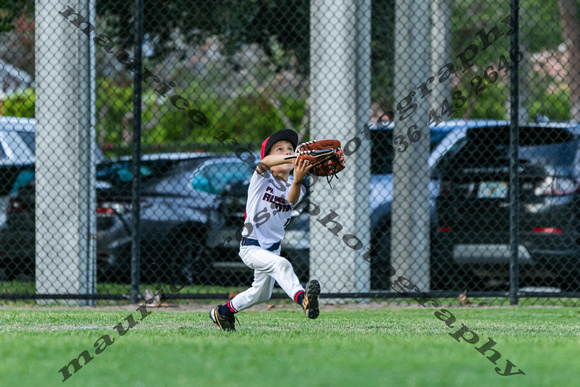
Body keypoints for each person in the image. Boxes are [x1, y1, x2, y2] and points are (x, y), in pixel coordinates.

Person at [210, 128, 320, 331]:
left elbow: (291, 200)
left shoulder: (294, 185)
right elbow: (264, 164)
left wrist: (297, 178)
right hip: (251, 247)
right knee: (282, 265)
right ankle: (304, 299)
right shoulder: (262, 179)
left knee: (261, 294)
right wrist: (295, 156)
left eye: (290, 148)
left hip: (271, 249)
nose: (287, 152)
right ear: (269, 156)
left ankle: (223, 313)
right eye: (280, 149)